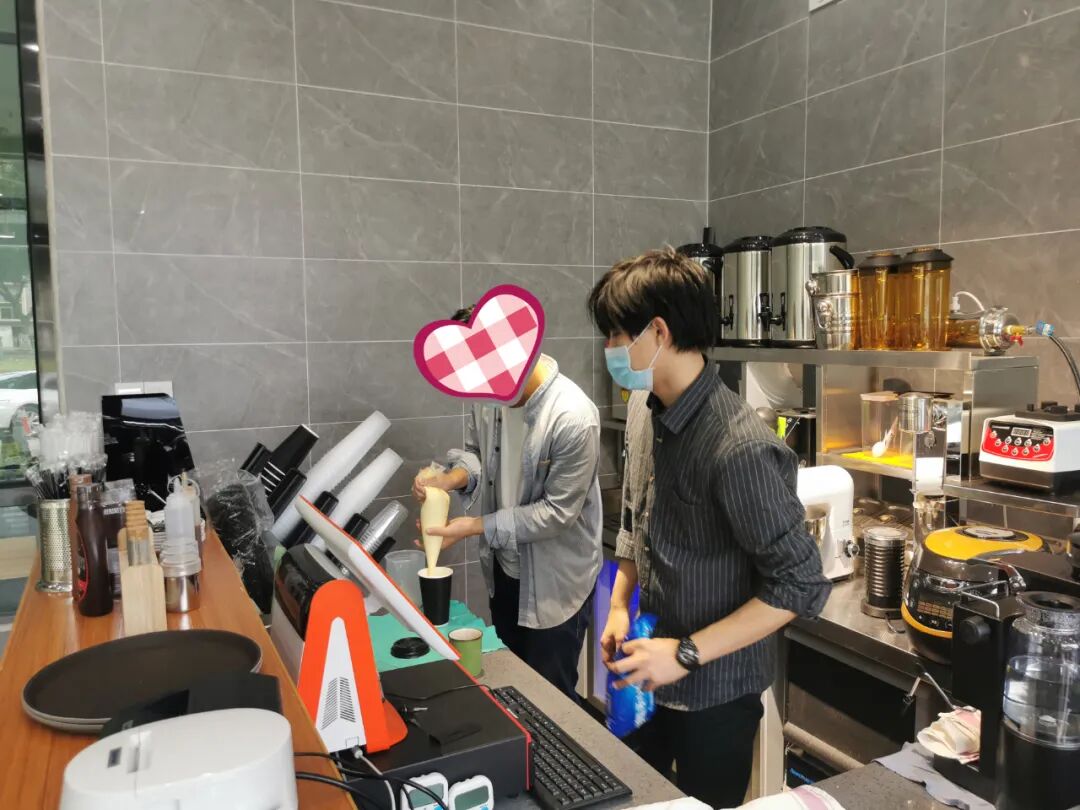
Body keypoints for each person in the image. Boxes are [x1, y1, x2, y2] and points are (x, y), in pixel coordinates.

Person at [587, 246, 831, 808]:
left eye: (616, 334)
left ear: (658, 332)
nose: (609, 349)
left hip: (716, 694)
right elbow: (637, 518)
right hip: (647, 665)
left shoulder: (738, 447)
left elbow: (800, 583)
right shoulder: (646, 407)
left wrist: (684, 654)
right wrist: (620, 604)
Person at [414, 305, 603, 699]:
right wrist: (449, 479)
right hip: (504, 572)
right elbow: (477, 455)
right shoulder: (487, 394)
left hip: (554, 587)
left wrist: (474, 527)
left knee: (550, 702)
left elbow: (556, 514)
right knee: (510, 690)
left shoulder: (572, 416)